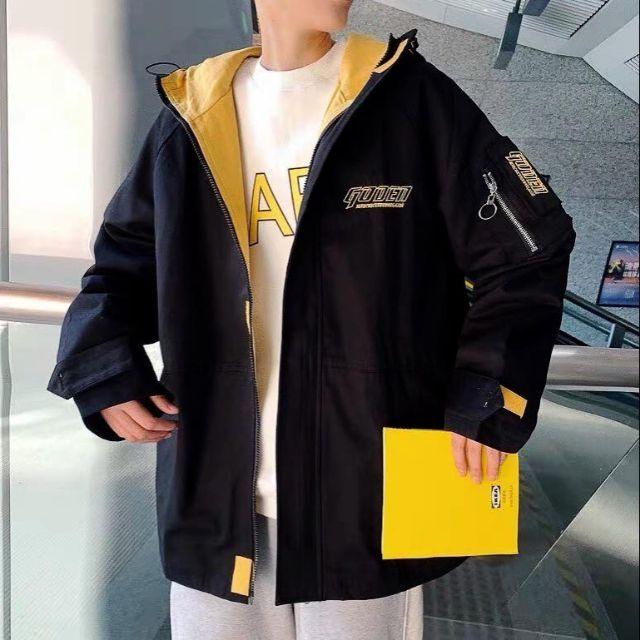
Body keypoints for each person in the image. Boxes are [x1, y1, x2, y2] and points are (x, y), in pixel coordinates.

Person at [47, 0, 576, 638]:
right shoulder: (193, 114)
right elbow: (122, 263)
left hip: (367, 498)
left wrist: (489, 391)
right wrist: (103, 367)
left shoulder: (411, 99)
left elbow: (529, 248)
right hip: (215, 494)